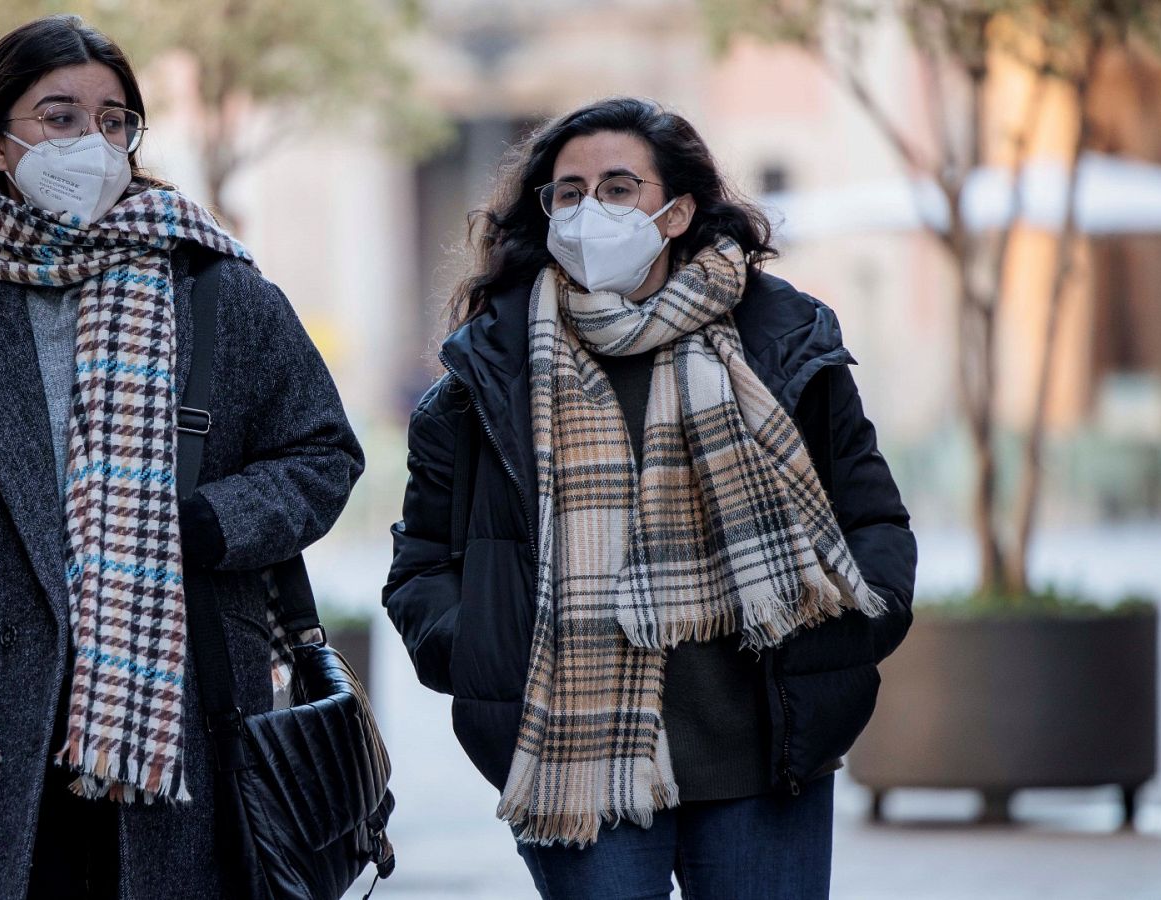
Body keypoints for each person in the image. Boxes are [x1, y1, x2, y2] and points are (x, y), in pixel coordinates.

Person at [0, 15, 362, 900]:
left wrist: (209, 521)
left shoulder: (218, 292)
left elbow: (323, 450)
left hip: (188, 745)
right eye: (60, 117)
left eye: (114, 121)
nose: (92, 143)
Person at [383, 97, 916, 900]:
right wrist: (483, 657)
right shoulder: (486, 377)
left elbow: (872, 519)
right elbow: (422, 564)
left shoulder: (782, 344)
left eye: (619, 187)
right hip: (575, 761)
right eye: (568, 192)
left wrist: (842, 639)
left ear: (677, 212)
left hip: (762, 759)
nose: (590, 209)